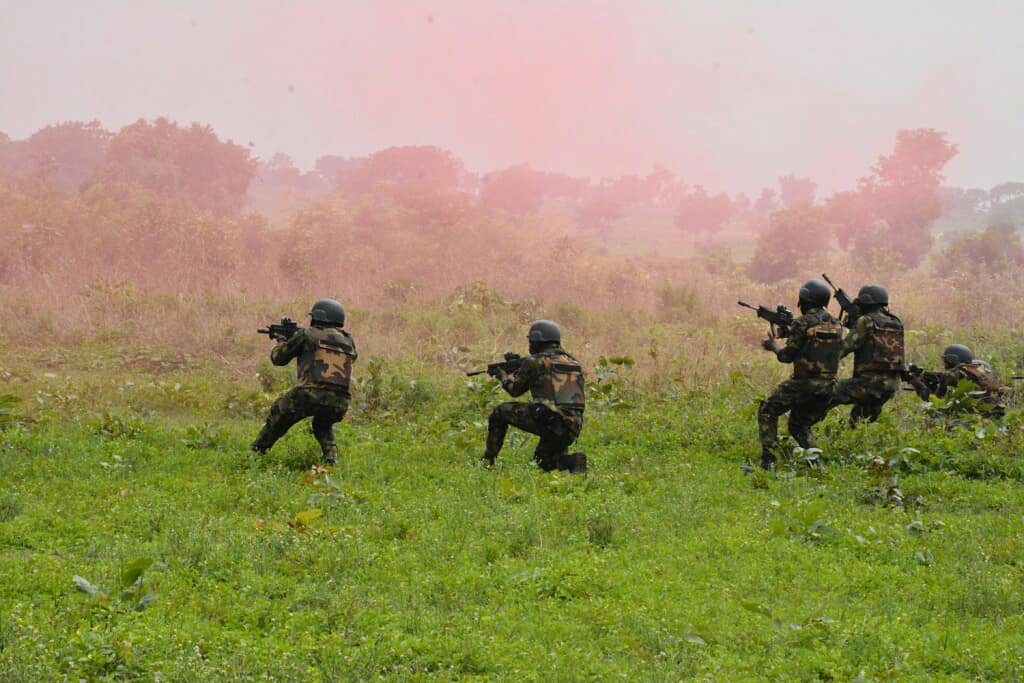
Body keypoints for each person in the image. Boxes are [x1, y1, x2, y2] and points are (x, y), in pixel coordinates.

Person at [251, 299, 356, 464]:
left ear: (318, 316)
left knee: (279, 413)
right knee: (323, 425)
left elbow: (278, 358)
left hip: (309, 395)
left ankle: (257, 451)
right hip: (340, 401)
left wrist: (282, 342)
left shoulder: (307, 335)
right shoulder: (349, 341)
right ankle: (331, 457)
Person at [755, 279, 843, 470]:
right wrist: (791, 332)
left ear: (805, 300)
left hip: (804, 384)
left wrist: (774, 346)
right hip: (829, 386)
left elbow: (786, 357)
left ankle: (769, 461)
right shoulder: (836, 323)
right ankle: (816, 464)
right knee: (799, 425)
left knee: (768, 410)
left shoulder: (802, 323)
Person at [483, 320, 587, 473]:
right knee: (543, 460)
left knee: (500, 412)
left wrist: (503, 376)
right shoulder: (573, 362)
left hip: (550, 420)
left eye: (531, 342)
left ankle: (488, 461)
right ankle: (573, 462)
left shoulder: (534, 362)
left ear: (538, 342)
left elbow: (515, 390)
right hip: (573, 425)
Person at [829, 284, 905, 424]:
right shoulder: (896, 323)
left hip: (868, 385)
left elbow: (844, 348)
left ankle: (803, 426)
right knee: (858, 423)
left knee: (824, 393)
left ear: (865, 302)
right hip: (890, 387)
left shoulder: (866, 321)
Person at [908, 344, 1010, 418]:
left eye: (945, 361)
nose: (944, 364)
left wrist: (921, 377)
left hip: (979, 414)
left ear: (951, 359)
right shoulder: (976, 370)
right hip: (992, 412)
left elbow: (941, 387)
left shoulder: (962, 371)